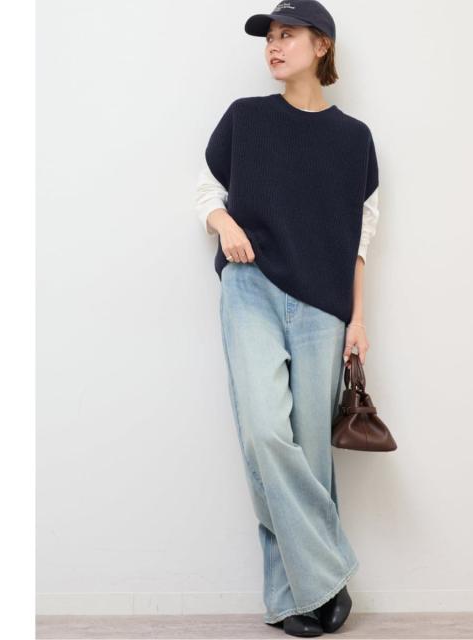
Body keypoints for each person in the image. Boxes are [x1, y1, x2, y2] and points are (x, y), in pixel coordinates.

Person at [194, 1, 380, 636]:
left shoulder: (355, 139)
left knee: (310, 451)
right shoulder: (245, 119)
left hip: (324, 304)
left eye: (287, 35)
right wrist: (224, 224)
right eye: (269, 37)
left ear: (321, 46)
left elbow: (361, 239)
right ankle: (329, 576)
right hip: (251, 288)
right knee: (265, 436)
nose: (273, 46)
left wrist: (358, 320)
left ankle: (293, 599)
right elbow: (205, 190)